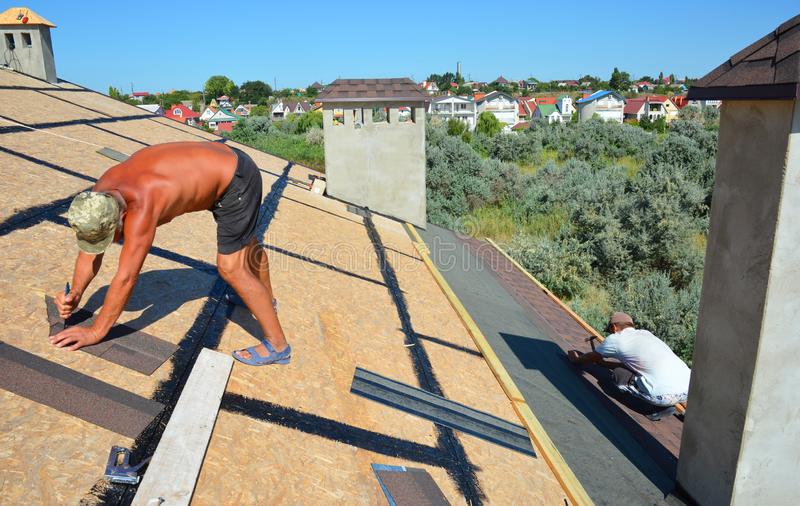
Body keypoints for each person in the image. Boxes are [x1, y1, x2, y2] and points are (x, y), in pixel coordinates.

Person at [51, 141, 291, 366]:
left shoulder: (141, 205)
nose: (104, 245)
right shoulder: (99, 196)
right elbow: (90, 251)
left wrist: (96, 331)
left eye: (107, 238)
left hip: (236, 181)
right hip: (218, 164)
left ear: (121, 218)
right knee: (246, 242)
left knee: (231, 267)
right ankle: (264, 301)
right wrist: (75, 292)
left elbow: (126, 277)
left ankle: (278, 345)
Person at [567, 311, 690, 419]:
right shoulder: (646, 334)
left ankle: (652, 410)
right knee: (629, 373)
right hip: (688, 390)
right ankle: (663, 405)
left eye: (610, 330)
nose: (610, 333)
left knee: (615, 377)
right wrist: (604, 363)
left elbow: (590, 357)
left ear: (614, 327)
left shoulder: (616, 339)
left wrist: (576, 360)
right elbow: (634, 367)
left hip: (662, 396)